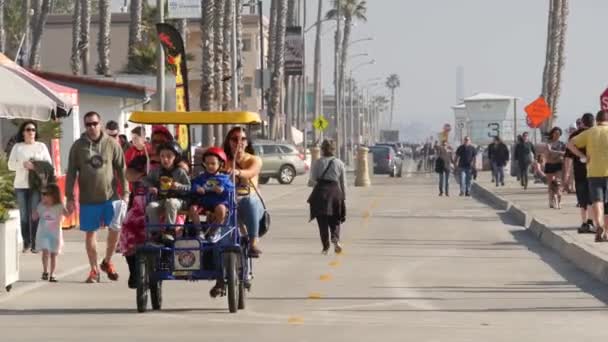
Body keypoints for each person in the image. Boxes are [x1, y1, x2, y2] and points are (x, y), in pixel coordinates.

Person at [66, 111, 129, 283]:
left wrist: (125, 193)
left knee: (115, 229)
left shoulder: (111, 144)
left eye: (94, 123)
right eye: (88, 124)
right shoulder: (78, 146)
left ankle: (107, 261)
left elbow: (122, 169)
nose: (92, 127)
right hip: (88, 198)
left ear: (100, 124)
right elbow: (71, 172)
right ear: (84, 126)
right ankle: (94, 270)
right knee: (90, 234)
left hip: (110, 196)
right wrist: (69, 197)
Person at [8, 121, 52, 253]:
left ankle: (35, 243)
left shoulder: (41, 146)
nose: (31, 132)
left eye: (33, 130)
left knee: (34, 215)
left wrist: (35, 166)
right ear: (23, 132)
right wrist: (23, 164)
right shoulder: (18, 147)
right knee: (24, 215)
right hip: (21, 185)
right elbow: (10, 165)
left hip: (36, 186)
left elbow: (49, 166)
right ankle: (26, 241)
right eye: (28, 129)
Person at [223, 127, 265, 257]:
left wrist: (238, 172)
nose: (238, 142)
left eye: (242, 139)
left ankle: (253, 243)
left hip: (249, 200)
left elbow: (251, 172)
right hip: (229, 199)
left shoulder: (254, 159)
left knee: (250, 201)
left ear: (247, 143)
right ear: (229, 142)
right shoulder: (224, 161)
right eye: (235, 139)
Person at [568, 110, 608, 242]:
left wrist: (582, 156)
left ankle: (599, 226)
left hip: (593, 172)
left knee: (597, 201)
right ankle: (606, 231)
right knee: (607, 203)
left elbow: (570, 144)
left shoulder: (590, 132)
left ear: (596, 120)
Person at [144, 141, 191, 239]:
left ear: (176, 158)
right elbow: (146, 180)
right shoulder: (156, 171)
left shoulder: (180, 172)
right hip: (161, 199)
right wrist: (151, 186)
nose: (165, 159)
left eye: (169, 156)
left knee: (171, 202)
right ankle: (155, 232)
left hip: (178, 200)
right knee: (151, 207)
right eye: (162, 156)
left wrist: (179, 186)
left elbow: (189, 187)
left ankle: (170, 230)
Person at [308, 139, 346, 254]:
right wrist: (343, 198)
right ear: (334, 149)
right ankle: (335, 239)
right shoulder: (339, 163)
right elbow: (343, 183)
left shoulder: (318, 163)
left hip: (321, 194)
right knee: (335, 219)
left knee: (322, 221)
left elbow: (312, 181)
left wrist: (317, 183)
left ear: (322, 149)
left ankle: (325, 246)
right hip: (335, 193)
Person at [189, 147, 234, 242]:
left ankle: (214, 231)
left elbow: (231, 188)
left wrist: (223, 189)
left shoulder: (224, 178)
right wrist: (198, 188)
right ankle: (199, 231)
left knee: (221, 210)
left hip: (218, 202)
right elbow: (194, 185)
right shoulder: (202, 177)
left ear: (220, 164)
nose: (209, 166)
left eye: (213, 164)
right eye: (207, 164)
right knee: (193, 208)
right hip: (204, 202)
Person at [119, 156, 148, 289]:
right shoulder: (136, 185)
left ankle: (136, 271)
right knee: (127, 229)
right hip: (137, 219)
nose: (127, 174)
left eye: (131, 171)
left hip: (148, 217)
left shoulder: (145, 182)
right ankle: (134, 270)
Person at [565, 113, 596, 233]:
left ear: (582, 122)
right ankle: (591, 222)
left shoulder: (574, 135)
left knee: (582, 199)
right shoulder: (597, 134)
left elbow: (568, 157)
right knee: (592, 198)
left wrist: (566, 174)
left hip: (579, 171)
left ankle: (584, 223)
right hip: (595, 171)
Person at [32, 184, 67, 283]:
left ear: (53, 195)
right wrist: (34, 211)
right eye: (42, 194)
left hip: (55, 234)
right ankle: (45, 271)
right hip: (43, 234)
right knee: (45, 253)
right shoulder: (41, 205)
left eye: (45, 194)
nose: (43, 196)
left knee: (53, 254)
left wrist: (69, 207)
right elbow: (34, 217)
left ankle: (52, 274)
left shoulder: (59, 206)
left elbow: (67, 214)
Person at [542, 127, 566, 208]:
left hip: (558, 166)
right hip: (549, 165)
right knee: (550, 184)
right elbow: (548, 153)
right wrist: (559, 153)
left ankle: (559, 201)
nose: (557, 135)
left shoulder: (562, 144)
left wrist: (555, 153)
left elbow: (565, 154)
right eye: (555, 133)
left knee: (558, 183)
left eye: (559, 134)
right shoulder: (548, 143)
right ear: (552, 134)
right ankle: (550, 200)